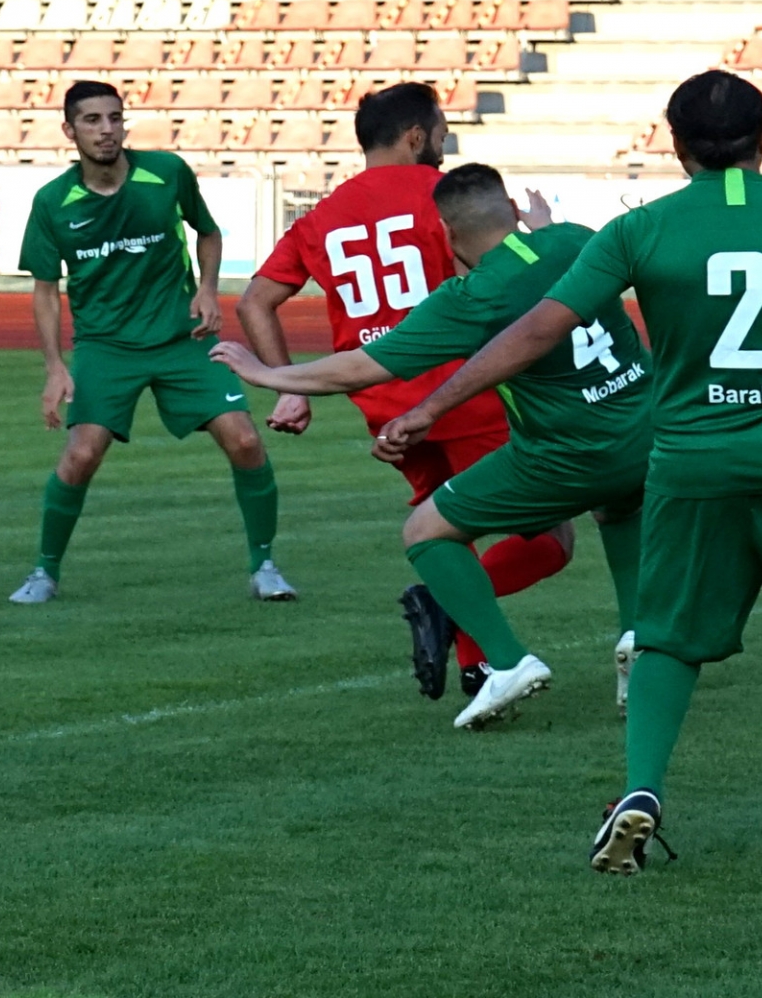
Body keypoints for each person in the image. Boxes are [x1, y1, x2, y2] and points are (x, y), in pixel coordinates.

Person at [375, 70, 762, 873]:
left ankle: (641, 793)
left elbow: (536, 332)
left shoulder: (639, 230)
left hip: (692, 462)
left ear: (676, 144)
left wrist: (430, 406)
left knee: (664, 640)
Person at [214, 163, 651, 729]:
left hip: (568, 453)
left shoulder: (474, 295)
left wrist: (267, 374)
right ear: (513, 211)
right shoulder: (574, 239)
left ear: (447, 232)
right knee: (619, 508)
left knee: (426, 530)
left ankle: (507, 662)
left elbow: (360, 367)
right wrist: (543, 224)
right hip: (646, 437)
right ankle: (639, 637)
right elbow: (567, 257)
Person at [236, 83, 571, 697]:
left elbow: (255, 301)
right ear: (417, 136)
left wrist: (291, 390)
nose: (444, 144)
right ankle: (449, 612)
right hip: (466, 397)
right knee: (550, 538)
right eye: (441, 133)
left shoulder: (320, 216)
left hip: (387, 410)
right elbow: (492, 281)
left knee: (449, 534)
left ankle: (479, 664)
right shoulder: (442, 199)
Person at [9, 80, 291, 605]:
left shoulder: (166, 173)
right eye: (92, 120)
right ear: (69, 130)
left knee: (246, 441)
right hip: (105, 345)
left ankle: (265, 566)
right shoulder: (52, 202)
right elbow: (46, 291)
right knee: (81, 455)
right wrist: (54, 367)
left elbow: (208, 232)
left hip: (182, 336)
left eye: (115, 118)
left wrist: (208, 290)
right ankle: (44, 572)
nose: (107, 130)